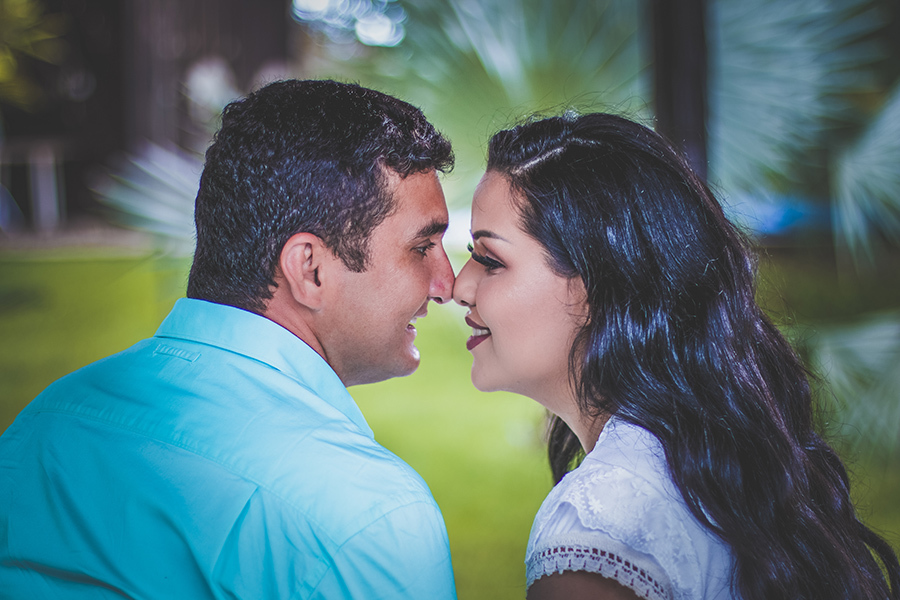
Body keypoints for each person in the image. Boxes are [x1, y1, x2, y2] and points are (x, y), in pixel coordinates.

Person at [0, 79, 458, 599]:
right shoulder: (369, 515)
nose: (447, 283)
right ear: (309, 269)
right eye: (422, 247)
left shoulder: (41, 425)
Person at [452, 112, 900, 600]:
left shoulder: (597, 526)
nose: (459, 286)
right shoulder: (715, 465)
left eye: (490, 260)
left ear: (596, 286)